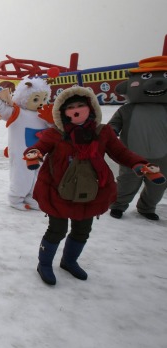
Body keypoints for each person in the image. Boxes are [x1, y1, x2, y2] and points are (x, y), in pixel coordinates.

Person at [23, 86, 164, 286]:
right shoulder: (55, 132)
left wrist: (140, 164)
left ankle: (69, 261)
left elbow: (121, 153)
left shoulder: (102, 132)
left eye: (81, 105)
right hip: (57, 190)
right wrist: (33, 154)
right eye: (71, 107)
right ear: (63, 112)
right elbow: (40, 147)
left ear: (91, 108)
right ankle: (44, 264)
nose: (76, 110)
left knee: (82, 230)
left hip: (90, 190)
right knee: (57, 230)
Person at [0, 77, 53, 210]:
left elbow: (54, 131)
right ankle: (15, 198)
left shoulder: (43, 114)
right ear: (24, 98)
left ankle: (32, 197)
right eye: (36, 99)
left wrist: (52, 120)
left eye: (44, 99)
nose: (41, 103)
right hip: (21, 153)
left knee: (39, 175)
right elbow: (1, 109)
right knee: (22, 175)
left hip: (39, 153)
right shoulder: (18, 113)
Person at [108, 56, 167, 221]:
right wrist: (111, 133)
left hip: (163, 157)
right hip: (131, 155)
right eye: (146, 77)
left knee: (158, 185)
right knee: (127, 182)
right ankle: (118, 205)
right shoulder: (127, 110)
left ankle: (147, 207)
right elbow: (113, 125)